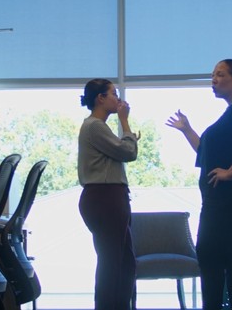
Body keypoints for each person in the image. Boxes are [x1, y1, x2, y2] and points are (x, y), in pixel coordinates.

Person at [166, 59, 232, 310]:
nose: (214, 79)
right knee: (221, 256)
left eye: (220, 74)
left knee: (218, 255)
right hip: (221, 199)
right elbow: (205, 151)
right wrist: (187, 129)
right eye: (212, 75)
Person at [78, 78, 140, 310]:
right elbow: (128, 152)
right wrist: (125, 122)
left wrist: (127, 139)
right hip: (105, 198)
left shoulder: (97, 127)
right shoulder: (95, 126)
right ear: (100, 98)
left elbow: (123, 149)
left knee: (124, 262)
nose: (119, 99)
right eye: (113, 93)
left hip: (108, 197)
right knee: (113, 263)